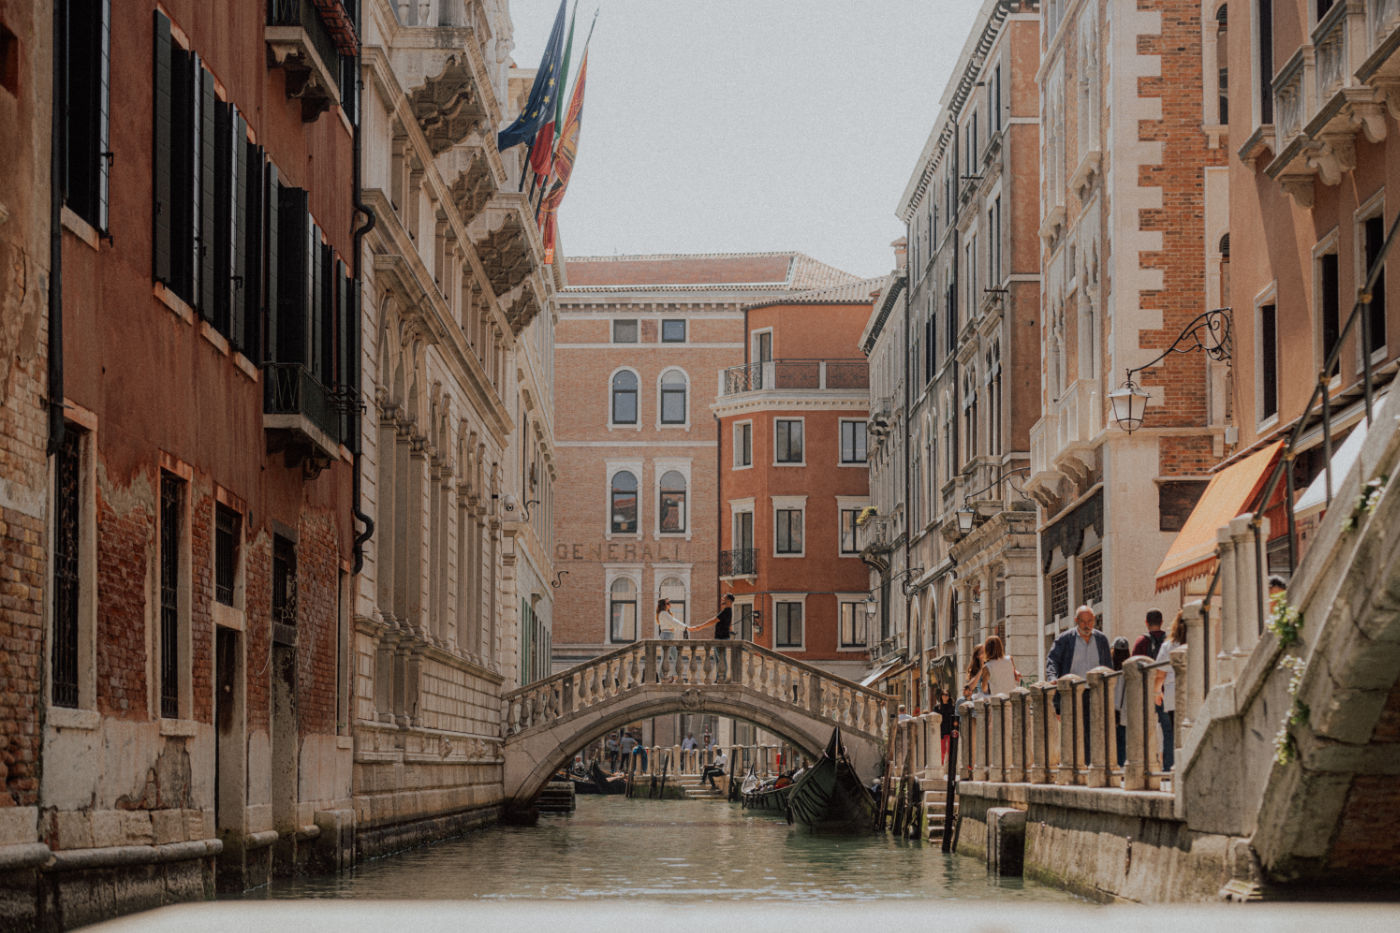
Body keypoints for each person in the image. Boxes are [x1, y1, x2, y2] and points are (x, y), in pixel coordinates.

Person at [1045, 606, 1113, 760]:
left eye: (1090, 621)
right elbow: (1052, 661)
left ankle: (1090, 765)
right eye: (1083, 622)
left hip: (1095, 692)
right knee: (1073, 731)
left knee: (1094, 730)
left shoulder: (1101, 640)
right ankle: (1075, 764)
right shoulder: (1065, 639)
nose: (1087, 625)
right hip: (1072, 693)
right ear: (1076, 621)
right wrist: (1052, 678)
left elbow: (1108, 665)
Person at [1153, 609, 1188, 773]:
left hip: (1173, 694)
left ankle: (1177, 767)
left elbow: (1160, 673)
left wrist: (1156, 692)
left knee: (1175, 732)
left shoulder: (1169, 645)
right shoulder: (1200, 641)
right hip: (1195, 692)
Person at [690, 594, 735, 679]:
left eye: (724, 598)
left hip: (721, 639)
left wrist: (700, 627)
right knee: (719, 659)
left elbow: (713, 620)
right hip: (721, 638)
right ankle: (720, 677)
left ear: (728, 601)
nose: (722, 599)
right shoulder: (728, 611)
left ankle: (721, 678)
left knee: (721, 659)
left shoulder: (726, 611)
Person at [1110, 636, 1131, 767]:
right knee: (1125, 741)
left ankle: (1120, 766)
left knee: (1117, 742)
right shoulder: (1130, 669)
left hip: (1116, 711)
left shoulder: (1111, 670)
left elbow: (1116, 694)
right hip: (1127, 712)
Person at [655, 598, 684, 680]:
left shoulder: (666, 613)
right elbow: (674, 622)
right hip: (666, 635)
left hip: (669, 635)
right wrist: (685, 628)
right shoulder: (663, 613)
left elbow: (673, 623)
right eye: (668, 603)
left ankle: (675, 675)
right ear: (664, 605)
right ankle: (662, 677)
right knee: (665, 657)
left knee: (676, 655)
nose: (670, 604)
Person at [933, 688, 957, 764]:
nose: (945, 696)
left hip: (950, 730)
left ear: (949, 696)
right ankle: (941, 765)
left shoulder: (953, 706)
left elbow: (955, 718)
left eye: (947, 695)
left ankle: (949, 768)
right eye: (943, 695)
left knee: (950, 750)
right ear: (941, 696)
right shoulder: (937, 707)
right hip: (941, 731)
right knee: (942, 750)